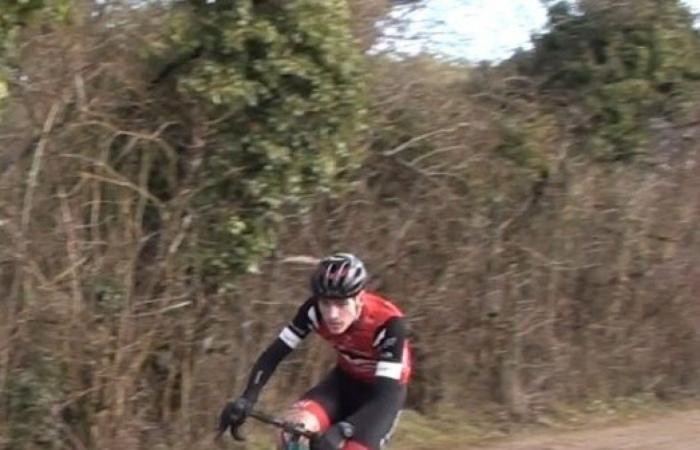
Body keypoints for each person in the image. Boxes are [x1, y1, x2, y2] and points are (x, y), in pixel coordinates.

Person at [218, 253, 412, 450]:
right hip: (343, 384)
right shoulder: (312, 312)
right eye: (326, 303)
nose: (332, 315)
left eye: (342, 304)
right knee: (292, 434)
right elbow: (274, 354)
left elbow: (384, 395)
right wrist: (247, 398)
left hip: (381, 397)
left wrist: (344, 429)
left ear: (359, 299)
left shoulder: (389, 323)